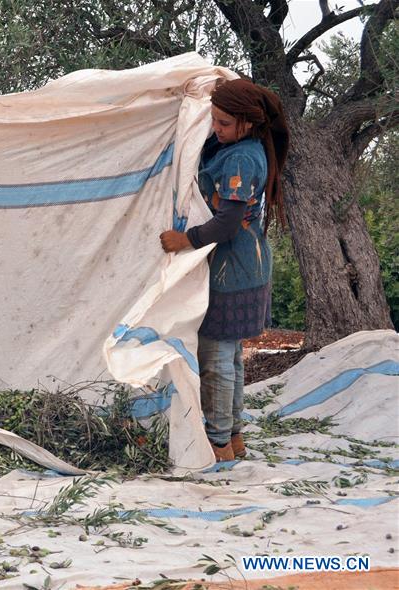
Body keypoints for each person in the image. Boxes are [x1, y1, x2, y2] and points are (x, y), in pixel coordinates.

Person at [159, 78, 290, 462]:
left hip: (230, 270)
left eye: (223, 123)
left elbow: (227, 223)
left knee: (216, 359)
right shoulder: (242, 147)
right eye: (213, 120)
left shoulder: (241, 159)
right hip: (247, 265)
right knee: (230, 356)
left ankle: (217, 445)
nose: (215, 129)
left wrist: (185, 240)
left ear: (248, 124)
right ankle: (233, 438)